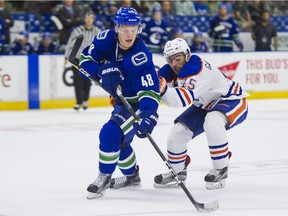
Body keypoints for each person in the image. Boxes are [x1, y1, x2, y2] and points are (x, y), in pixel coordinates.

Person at [78, 7, 160, 198]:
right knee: (121, 142)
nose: (130, 34)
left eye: (134, 29)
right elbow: (85, 58)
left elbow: (149, 90)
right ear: (116, 28)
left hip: (137, 104)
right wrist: (100, 72)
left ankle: (104, 176)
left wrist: (148, 115)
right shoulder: (105, 39)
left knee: (110, 134)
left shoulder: (142, 55)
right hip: (120, 101)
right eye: (125, 29)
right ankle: (132, 176)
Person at [154, 38, 248, 190]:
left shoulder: (196, 68)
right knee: (177, 133)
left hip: (231, 99)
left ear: (187, 55)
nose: (174, 64)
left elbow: (179, 100)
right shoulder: (171, 69)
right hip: (204, 105)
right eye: (170, 60)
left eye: (177, 58)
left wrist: (162, 89)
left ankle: (221, 168)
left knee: (212, 121)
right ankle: (177, 172)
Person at [64, 11, 102, 110]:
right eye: (87, 18)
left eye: (91, 18)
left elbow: (101, 45)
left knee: (87, 81)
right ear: (85, 19)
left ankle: (85, 100)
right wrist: (66, 57)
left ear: (93, 20)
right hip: (77, 59)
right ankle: (78, 102)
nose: (89, 20)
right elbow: (69, 43)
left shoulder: (97, 31)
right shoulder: (78, 30)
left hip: (89, 60)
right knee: (77, 81)